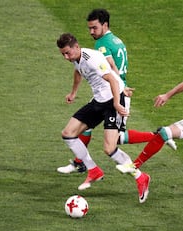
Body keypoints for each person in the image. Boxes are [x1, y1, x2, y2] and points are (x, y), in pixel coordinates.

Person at [57, 8, 175, 174]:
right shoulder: (116, 40)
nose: (91, 32)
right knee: (86, 126)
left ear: (105, 25)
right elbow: (79, 69)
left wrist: (121, 87)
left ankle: (159, 135)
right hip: (109, 89)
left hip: (116, 91)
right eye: (89, 28)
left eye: (94, 28)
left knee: (115, 139)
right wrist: (74, 92)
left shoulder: (102, 44)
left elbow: (112, 67)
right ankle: (80, 162)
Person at [56, 33, 150, 203]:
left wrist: (116, 102)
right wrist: (73, 92)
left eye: (68, 53)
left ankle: (141, 177)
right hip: (99, 100)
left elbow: (113, 80)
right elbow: (78, 72)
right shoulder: (76, 59)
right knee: (68, 133)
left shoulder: (91, 58)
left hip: (113, 100)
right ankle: (93, 170)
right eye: (63, 54)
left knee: (109, 148)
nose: (66, 57)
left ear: (77, 47)